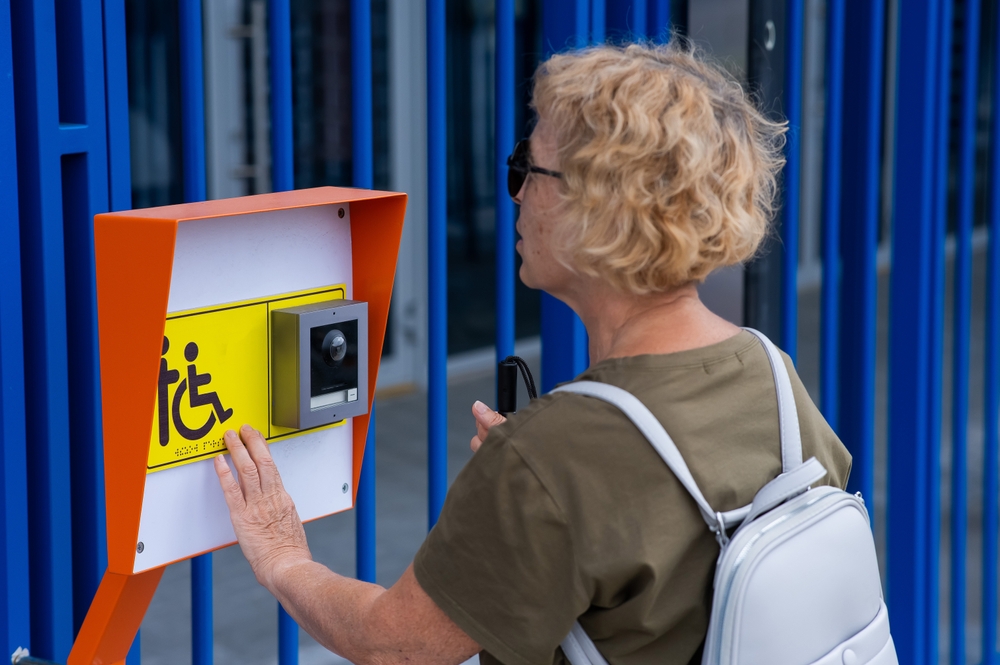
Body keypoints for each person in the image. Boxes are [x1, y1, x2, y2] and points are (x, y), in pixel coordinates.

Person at [215, 40, 851, 665]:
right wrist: (542, 497)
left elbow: (396, 645)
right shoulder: (769, 372)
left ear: (599, 207)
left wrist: (282, 559)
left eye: (529, 167)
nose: (515, 194)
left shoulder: (555, 454)